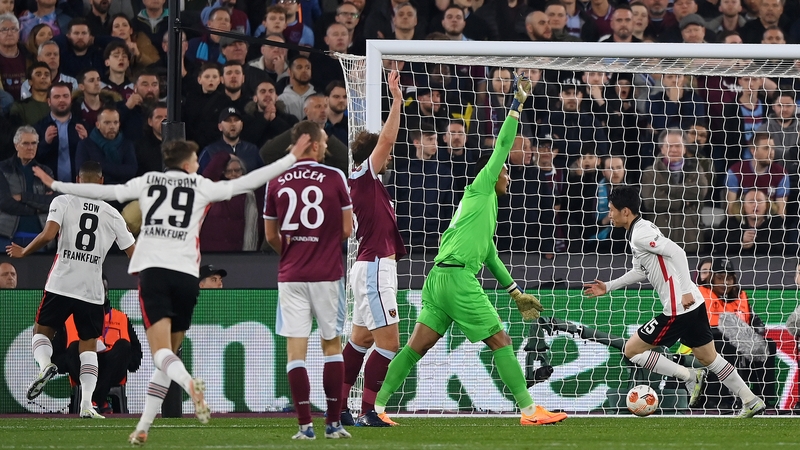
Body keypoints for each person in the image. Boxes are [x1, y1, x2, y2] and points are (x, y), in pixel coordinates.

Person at [32, 137, 308, 445]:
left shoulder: (150, 182)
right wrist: (289, 159)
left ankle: (190, 384)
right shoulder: (202, 185)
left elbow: (106, 192)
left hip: (154, 273)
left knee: (162, 354)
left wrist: (55, 183)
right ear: (189, 164)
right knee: (169, 354)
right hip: (187, 275)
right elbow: (247, 182)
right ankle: (144, 426)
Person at [373, 74, 566, 426]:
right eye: (504, 172)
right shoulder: (481, 188)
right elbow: (503, 146)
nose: (507, 174)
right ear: (491, 175)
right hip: (458, 279)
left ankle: (378, 406)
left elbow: (489, 253)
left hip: (438, 280)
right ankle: (528, 411)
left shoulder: (482, 209)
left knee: (417, 347)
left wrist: (514, 291)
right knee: (501, 340)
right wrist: (516, 104)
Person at [583, 185, 767, 418]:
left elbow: (678, 252)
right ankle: (750, 400)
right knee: (709, 357)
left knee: (632, 350)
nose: (610, 214)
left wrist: (683, 292)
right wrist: (608, 286)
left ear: (625, 211)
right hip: (693, 303)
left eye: (612, 210)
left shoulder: (641, 233)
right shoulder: (639, 231)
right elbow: (640, 271)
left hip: (679, 308)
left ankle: (689, 375)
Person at [6, 161, 136, 419]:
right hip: (92, 289)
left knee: (41, 331)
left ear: (77, 179)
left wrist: (24, 251)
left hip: (62, 282)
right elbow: (134, 254)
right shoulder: (112, 214)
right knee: (88, 346)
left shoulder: (63, 201)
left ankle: (45, 366)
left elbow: (47, 234)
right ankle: (87, 405)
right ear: (100, 182)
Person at [264, 121, 352, 440]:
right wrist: (321, 243)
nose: (327, 146)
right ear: (313, 144)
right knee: (332, 346)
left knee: (294, 352)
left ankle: (304, 426)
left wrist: (292, 250)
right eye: (325, 141)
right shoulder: (334, 177)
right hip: (327, 274)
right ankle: (333, 423)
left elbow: (271, 234)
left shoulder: (276, 179)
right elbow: (346, 230)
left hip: (291, 275)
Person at [339, 71, 404, 427]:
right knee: (389, 343)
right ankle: (366, 411)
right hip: (377, 267)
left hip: (368, 266)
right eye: (382, 152)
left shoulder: (365, 183)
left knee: (360, 340)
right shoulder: (364, 175)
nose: (388, 155)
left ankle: (340, 408)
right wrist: (396, 99)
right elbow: (388, 140)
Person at [53, 275, 143, 414]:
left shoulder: (121, 318)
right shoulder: (68, 320)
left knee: (124, 346)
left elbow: (135, 357)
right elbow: (58, 358)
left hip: (112, 369)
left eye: (102, 289)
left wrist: (115, 357)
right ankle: (101, 401)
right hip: (81, 369)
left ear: (107, 292)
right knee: (74, 347)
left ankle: (94, 400)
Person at [0, 126, 56, 250]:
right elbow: (4, 202)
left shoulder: (45, 171)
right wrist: (36, 210)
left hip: (39, 237)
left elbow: (51, 203)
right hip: (7, 236)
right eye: (25, 143)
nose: (30, 147)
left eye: (34, 143)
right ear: (16, 145)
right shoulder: (3, 169)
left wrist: (23, 197)